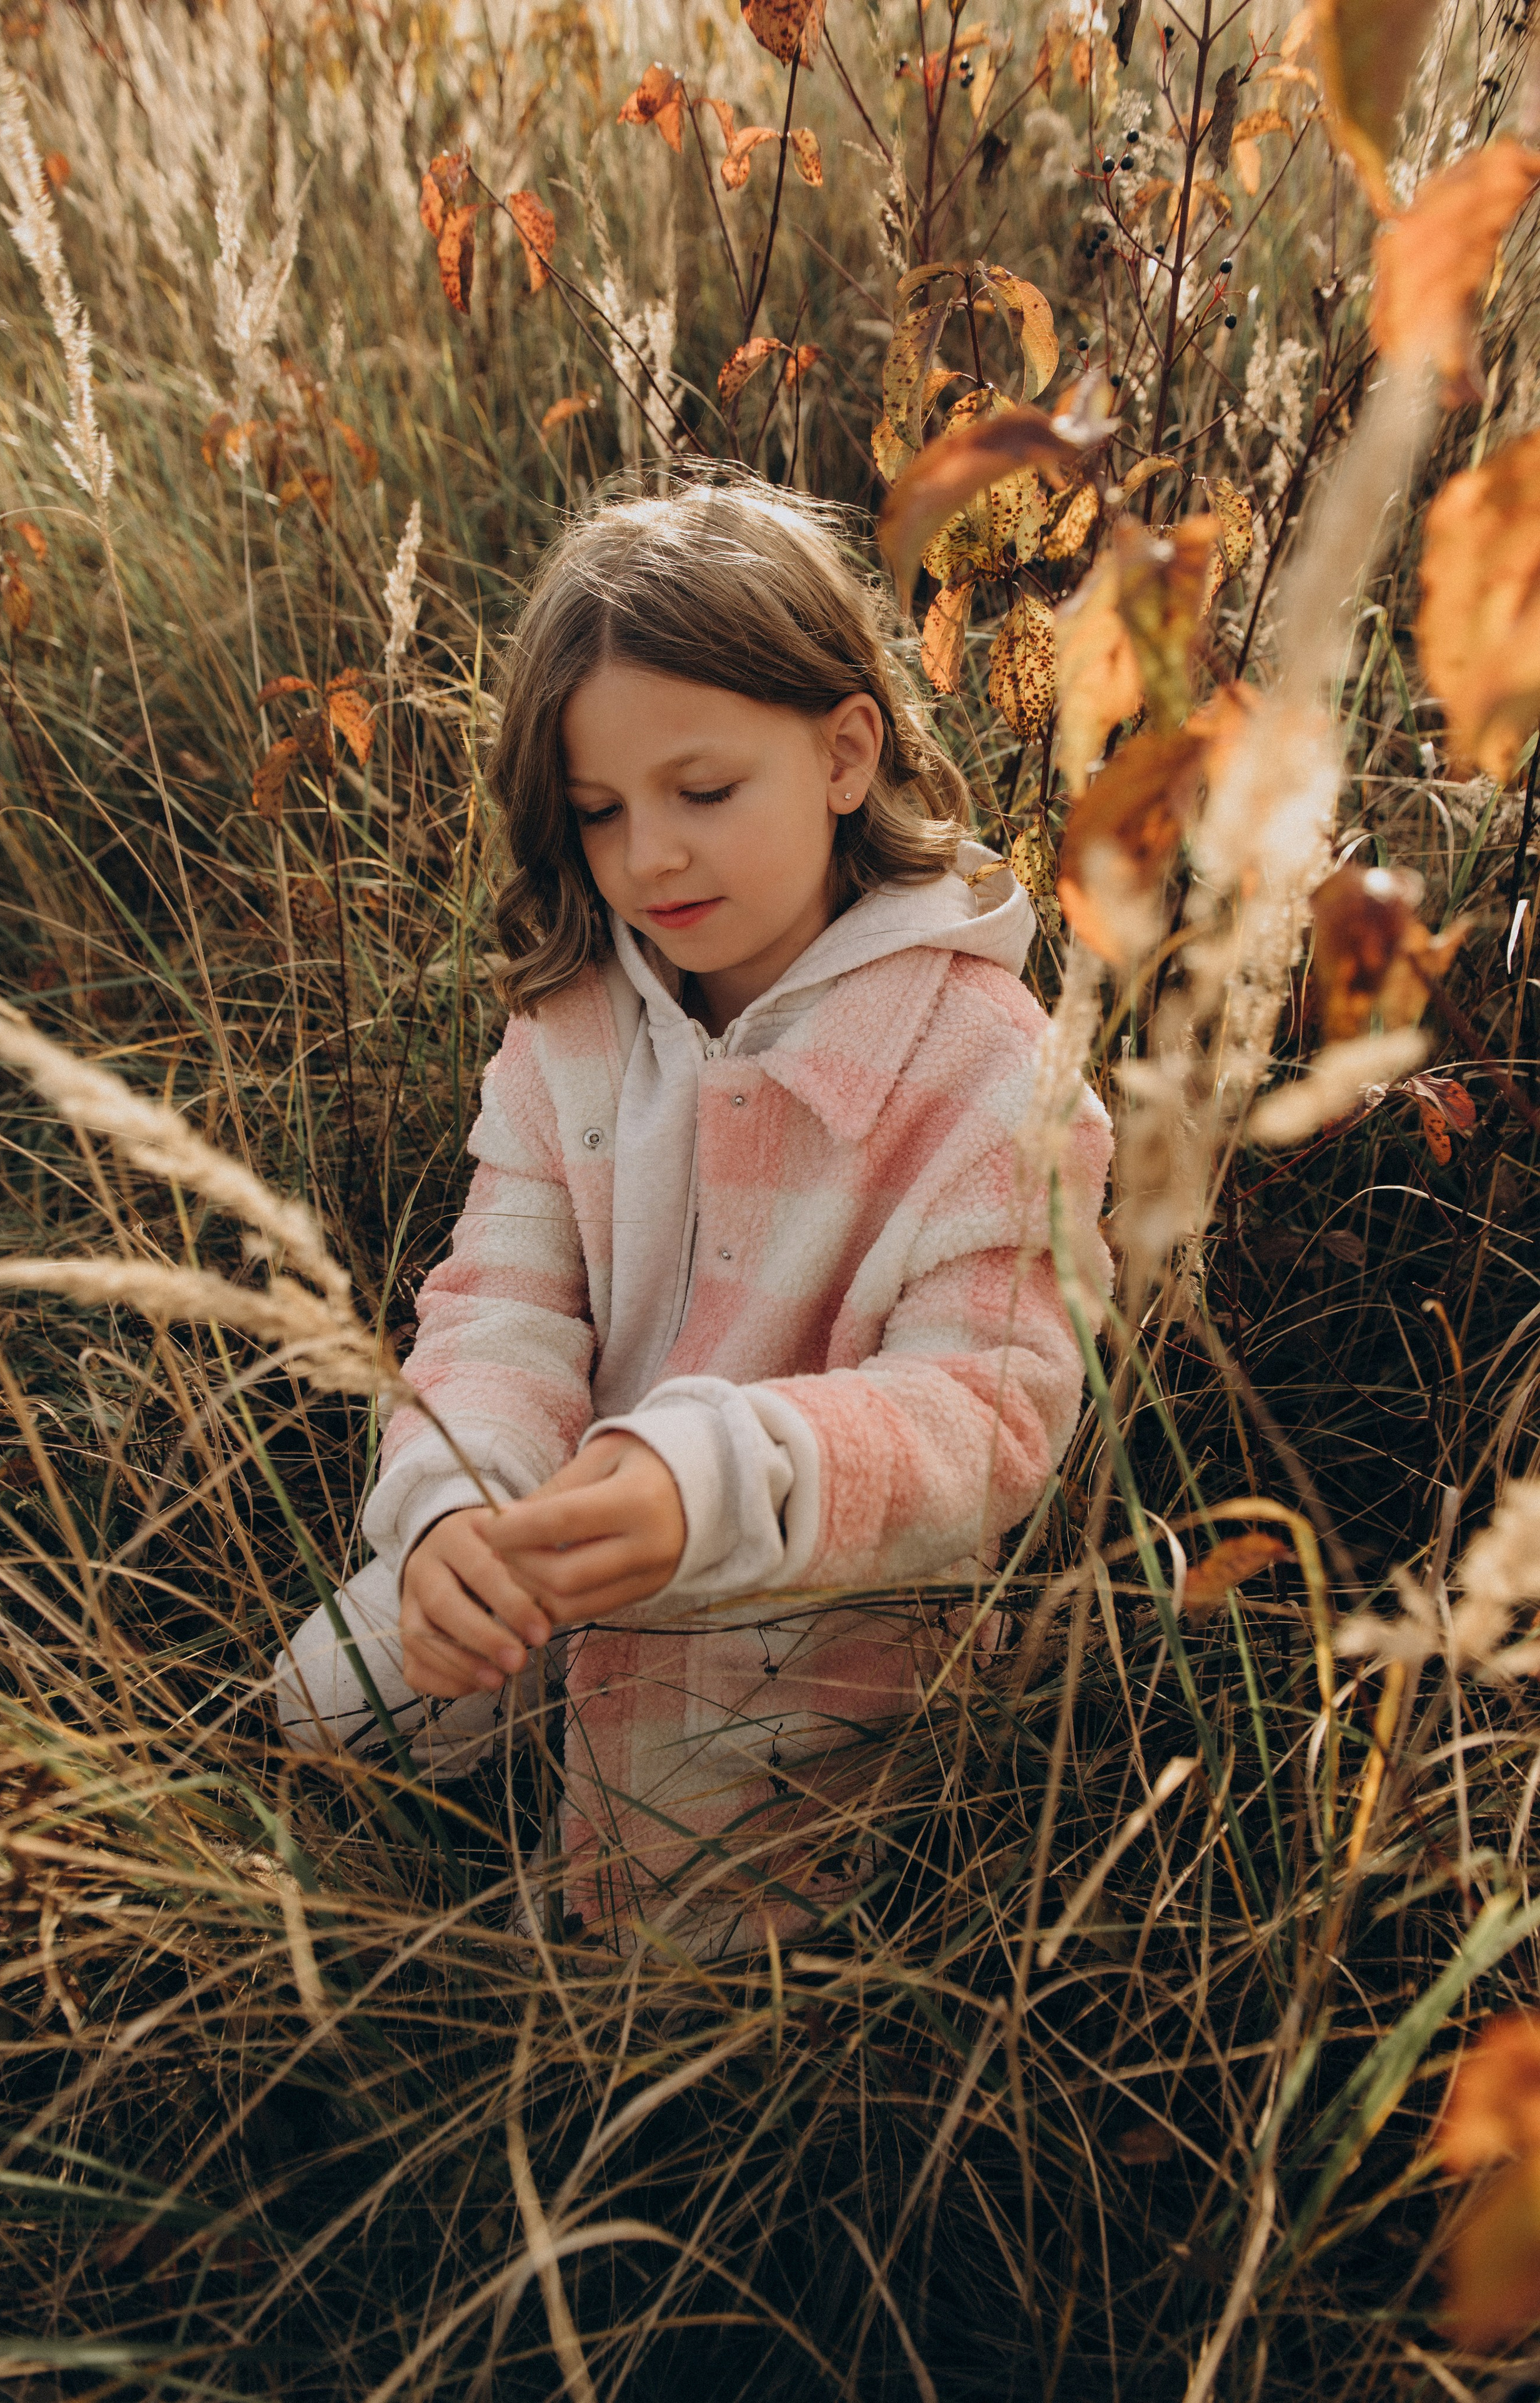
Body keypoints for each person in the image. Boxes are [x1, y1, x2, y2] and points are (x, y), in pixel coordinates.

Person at [278, 477, 1110, 1955]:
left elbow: (988, 1411)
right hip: (552, 1543)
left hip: (820, 1603)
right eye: (599, 814)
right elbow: (501, 1306)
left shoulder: (986, 1066)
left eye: (702, 793)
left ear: (844, 751)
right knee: (330, 1707)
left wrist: (714, 1482)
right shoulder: (576, 1026)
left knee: (675, 1934)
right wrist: (451, 1511)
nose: (647, 856)